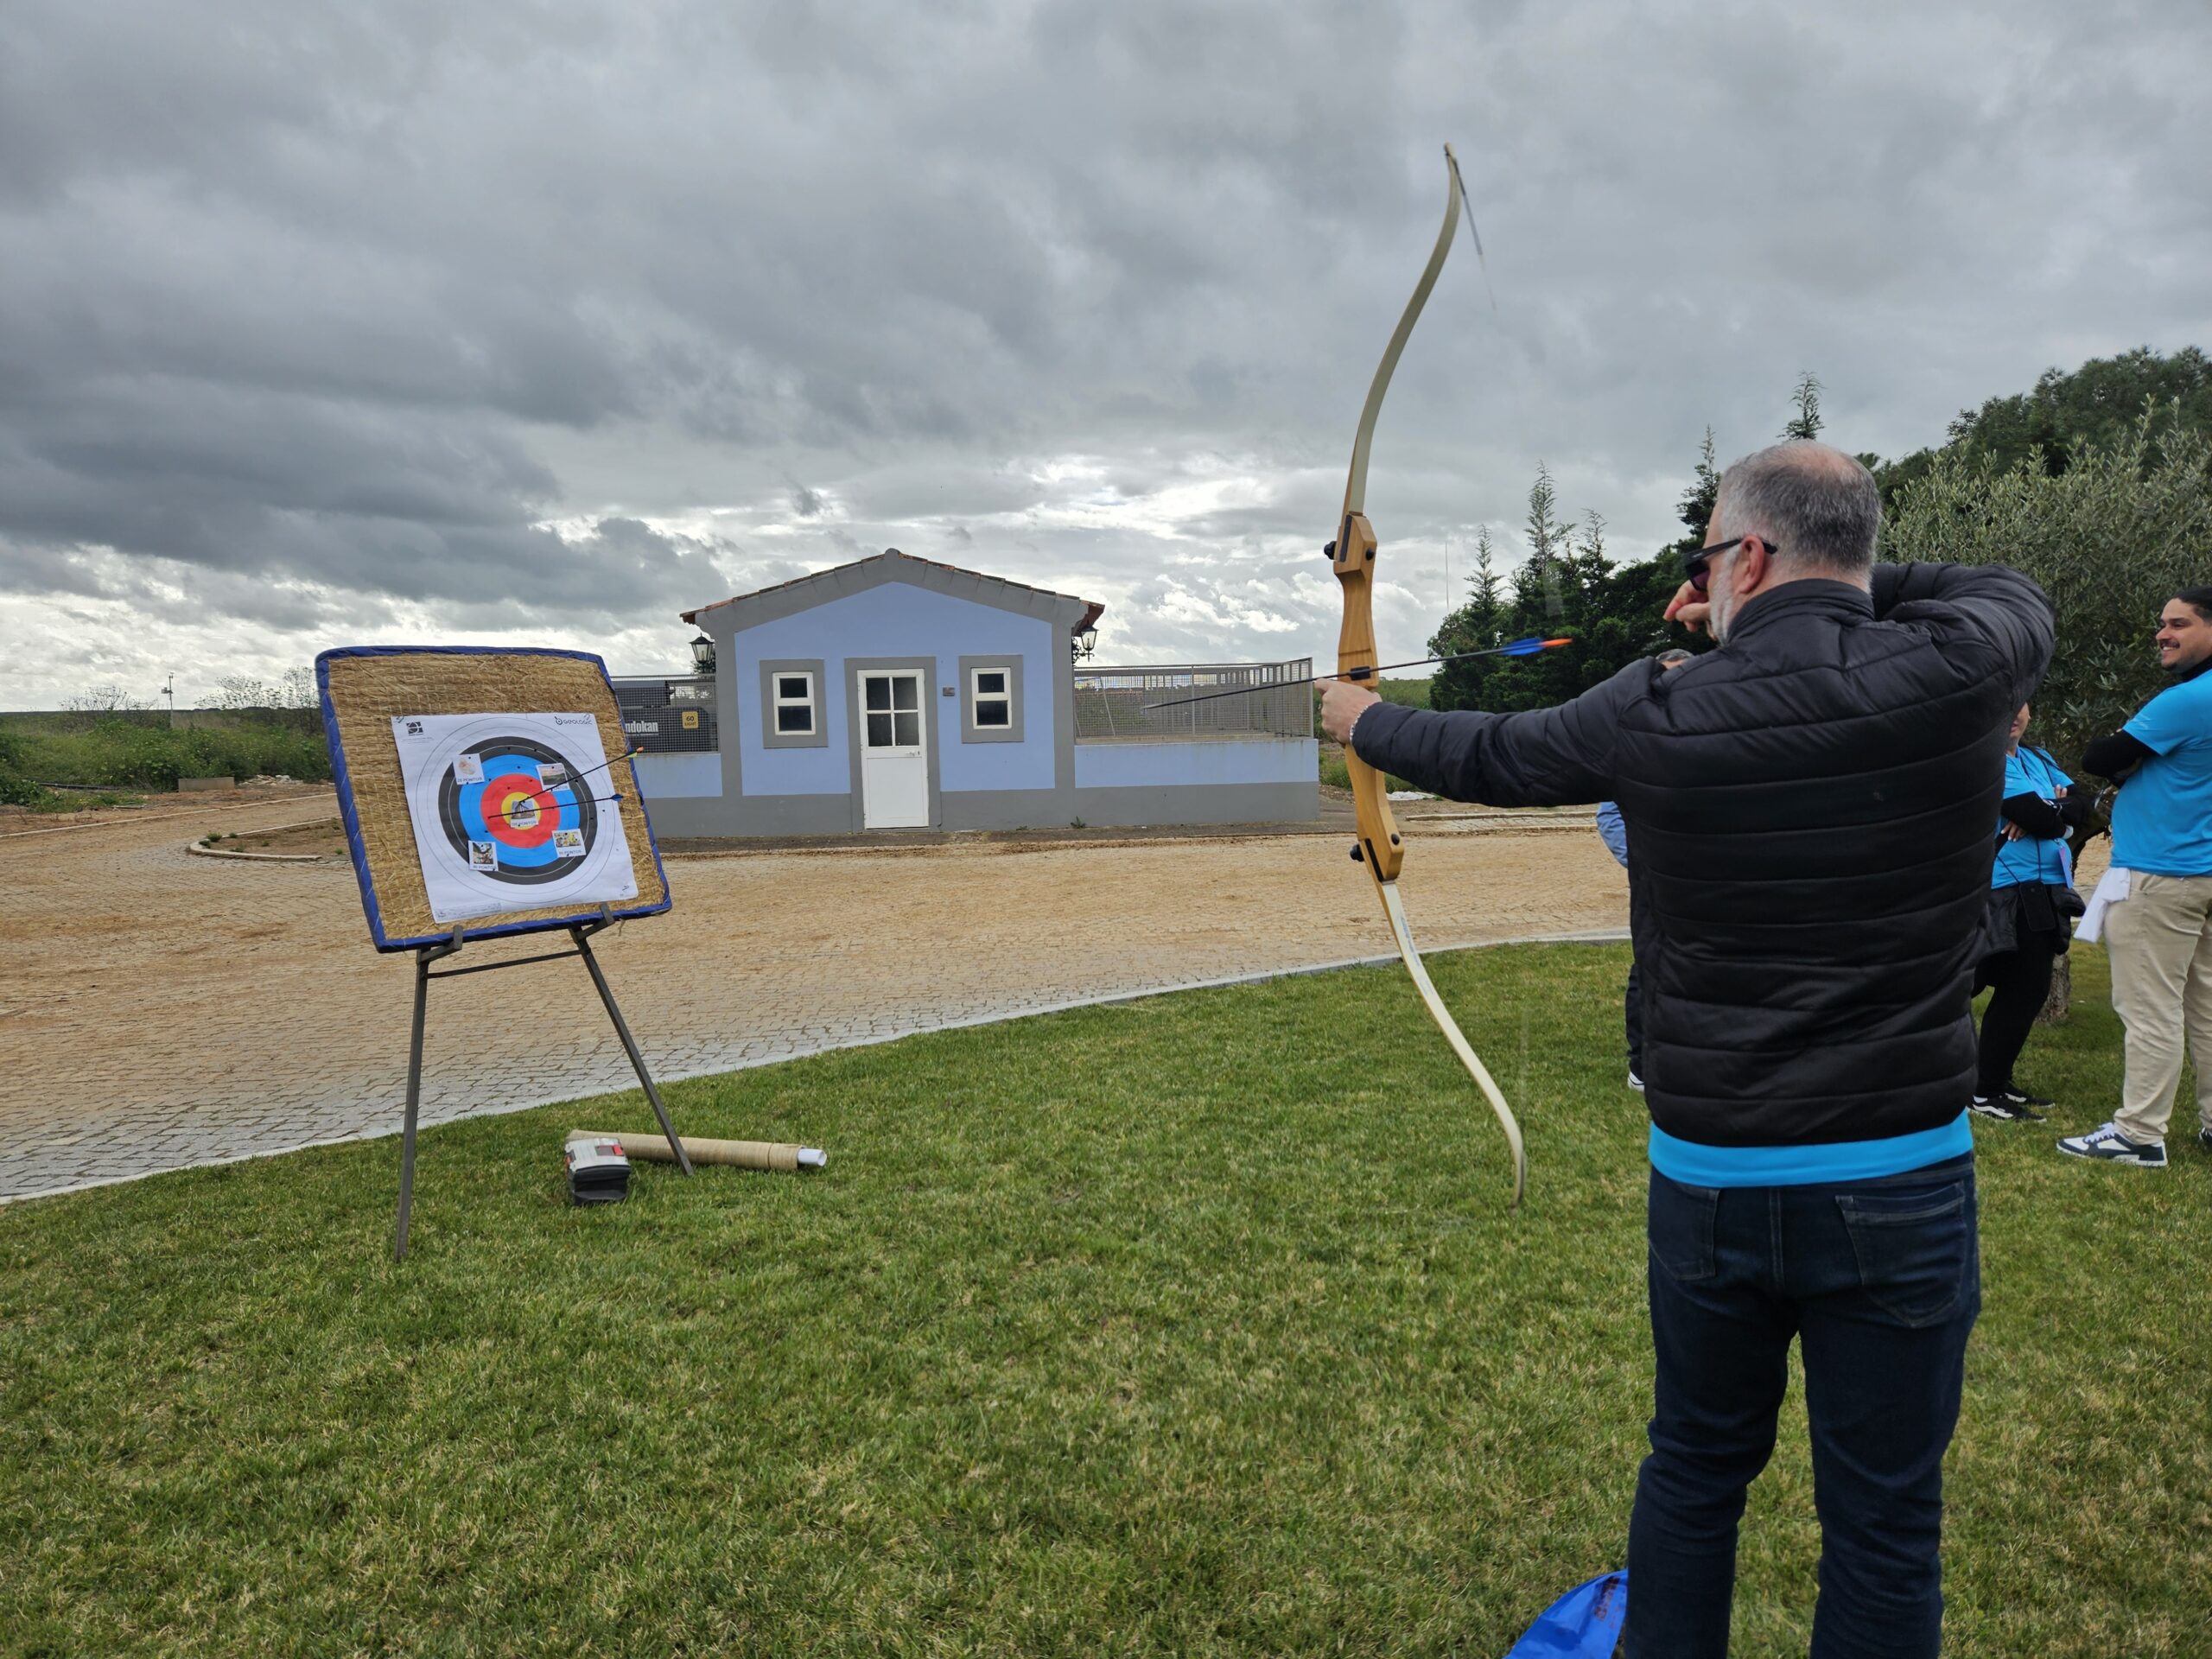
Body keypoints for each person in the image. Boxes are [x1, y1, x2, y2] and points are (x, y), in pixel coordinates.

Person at [1319, 442, 2050, 1659]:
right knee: (1885, 1521)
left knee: (1696, 1474)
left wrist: (1365, 718)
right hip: (1902, 1177)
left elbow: (1496, 757)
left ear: (1747, 555)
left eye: (1715, 555)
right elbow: (2000, 584)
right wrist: (1833, 576)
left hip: (1714, 1180)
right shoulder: (1969, 660)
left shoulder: (1655, 703)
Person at [2060, 588, 2212, 1167]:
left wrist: (2136, 756)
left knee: (2150, 1009)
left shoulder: (2188, 700)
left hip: (2161, 872)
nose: (2162, 633)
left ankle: (2139, 1134)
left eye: (2180, 623)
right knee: (2206, 1007)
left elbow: (2101, 755)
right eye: (2161, 623)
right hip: (2204, 872)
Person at [1970, 703, 2089, 1121]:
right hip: (2000, 890)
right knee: (1970, 982)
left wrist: (2052, 813)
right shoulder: (1984, 758)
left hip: (2042, 889)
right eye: (2002, 706)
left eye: (2020, 705)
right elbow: (2041, 817)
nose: (2013, 714)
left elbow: (2081, 803)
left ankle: (1992, 1084)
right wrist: (2049, 812)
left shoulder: (2039, 758)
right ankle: (1980, 1091)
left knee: (2026, 989)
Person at [1596, 649, 1694, 1093]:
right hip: (1657, 880)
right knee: (1649, 966)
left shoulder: (1715, 729)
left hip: (1713, 883)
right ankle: (1643, 1062)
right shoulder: (1633, 740)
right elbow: (1609, 816)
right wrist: (1646, 862)